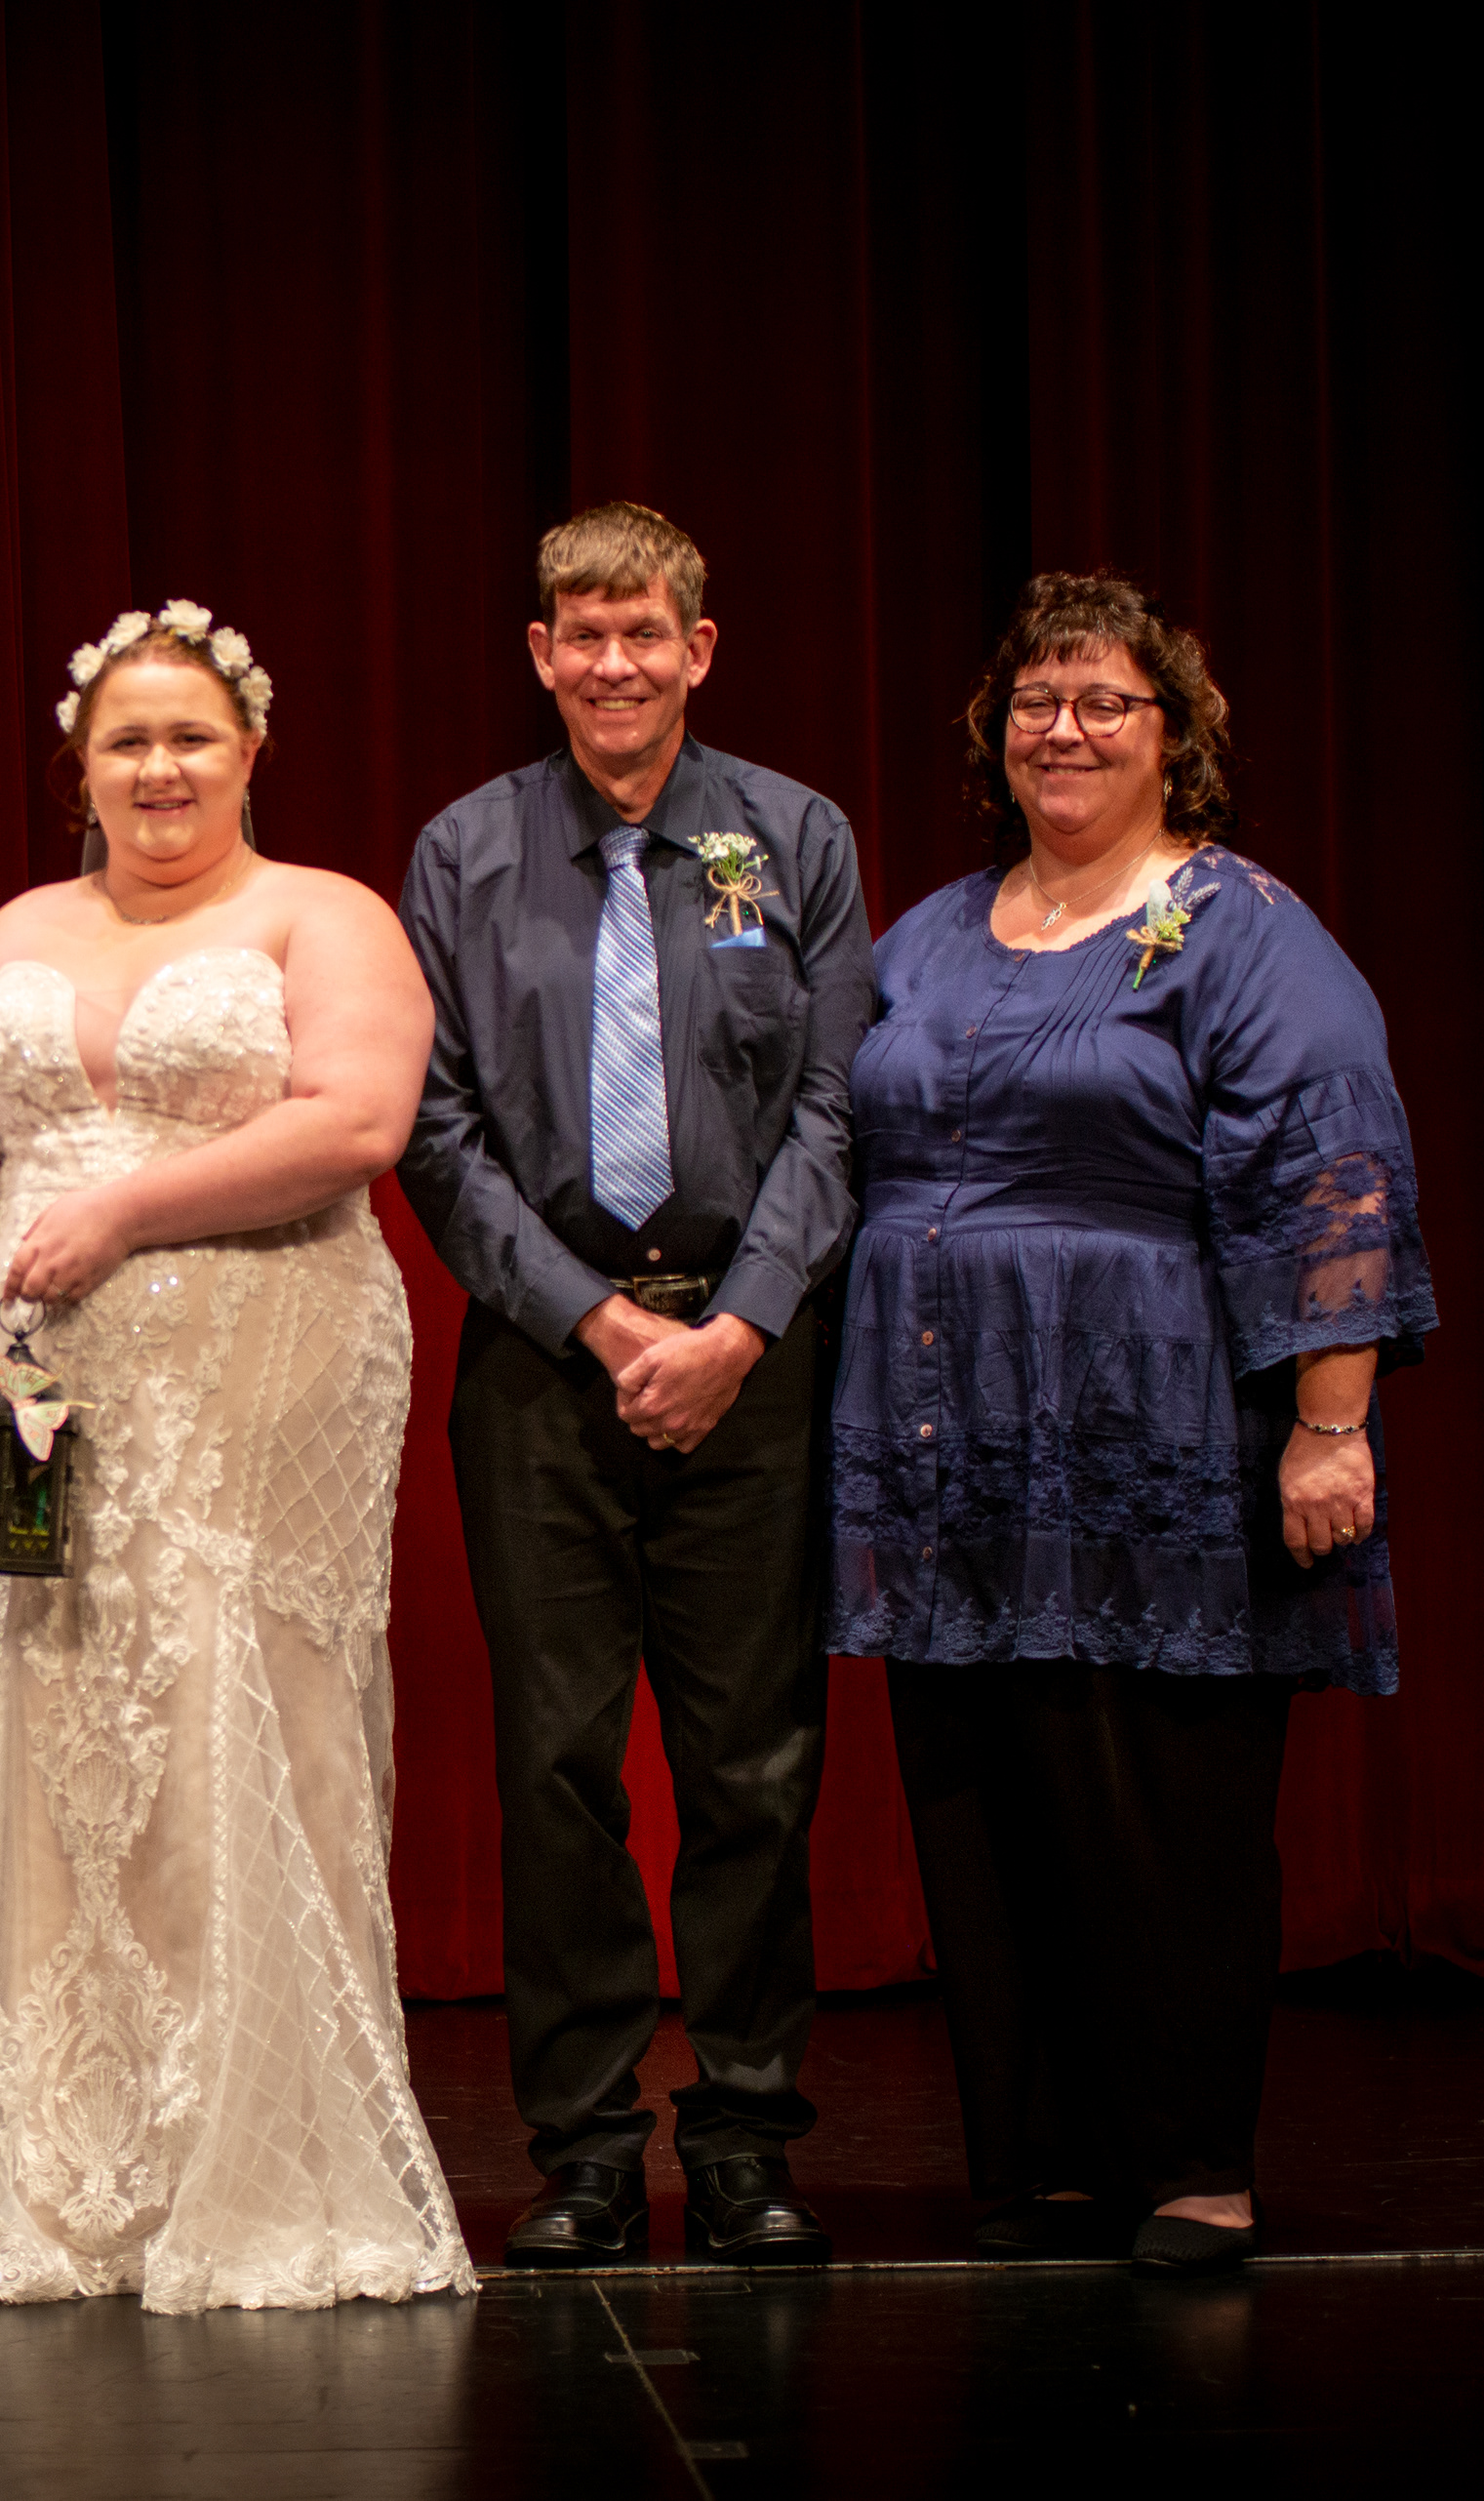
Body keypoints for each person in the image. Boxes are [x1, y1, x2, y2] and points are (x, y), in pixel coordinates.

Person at [0, 602, 473, 2313]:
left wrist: (126, 1210)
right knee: (61, 1711)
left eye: (191, 735)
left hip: (266, 1362)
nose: (159, 768)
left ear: (250, 751)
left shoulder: (320, 915)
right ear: (81, 768)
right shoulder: (11, 928)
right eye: (125, 741)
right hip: (42, 1386)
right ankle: (69, 2164)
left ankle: (256, 2156)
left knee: (234, 1699)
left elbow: (356, 1120)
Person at [833, 572, 1434, 2276]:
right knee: (990, 1791)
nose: (1067, 731)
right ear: (996, 735)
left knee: (1157, 1799)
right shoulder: (934, 932)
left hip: (1146, 1423)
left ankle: (1188, 2166)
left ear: (1175, 735)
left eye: (1106, 702)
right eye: (1037, 702)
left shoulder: (1241, 926)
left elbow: (1334, 1156)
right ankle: (1040, 2162)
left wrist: (1332, 1421)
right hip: (951, 1434)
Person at [397, 502, 876, 2271]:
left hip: (755, 1360)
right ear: (542, 655)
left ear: (698, 649)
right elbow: (435, 1128)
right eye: (582, 635)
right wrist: (599, 1324)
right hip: (547, 1369)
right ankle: (587, 2145)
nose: (615, 663)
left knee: (752, 1766)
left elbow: (836, 1105)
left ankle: (744, 2135)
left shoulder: (794, 838)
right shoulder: (465, 851)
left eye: (644, 632)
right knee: (557, 1766)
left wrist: (736, 1325)